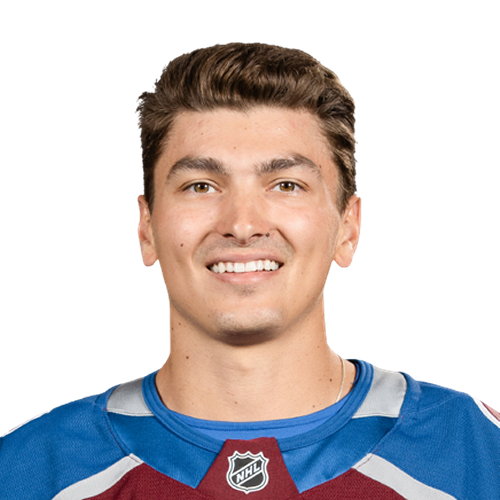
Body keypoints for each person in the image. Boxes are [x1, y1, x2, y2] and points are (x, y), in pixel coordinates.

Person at [1, 42, 498, 500]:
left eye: (286, 185)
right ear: (146, 227)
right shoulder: (28, 468)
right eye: (200, 185)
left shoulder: (478, 449)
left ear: (348, 228)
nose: (242, 224)